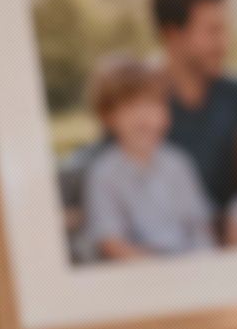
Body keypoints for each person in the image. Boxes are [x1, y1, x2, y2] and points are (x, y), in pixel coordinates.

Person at [152, 0, 237, 214]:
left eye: (225, 30)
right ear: (172, 34)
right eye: (213, 31)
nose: (224, 44)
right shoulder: (140, 106)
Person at [78, 57, 216, 261]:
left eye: (153, 105)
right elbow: (111, 242)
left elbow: (199, 226)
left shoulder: (178, 163)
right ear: (107, 116)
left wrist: (202, 263)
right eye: (131, 107)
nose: (144, 117)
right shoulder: (104, 174)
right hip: (140, 276)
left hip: (190, 267)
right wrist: (163, 272)